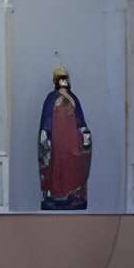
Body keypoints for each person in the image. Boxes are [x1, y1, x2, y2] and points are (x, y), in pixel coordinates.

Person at [38, 65, 93, 210]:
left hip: (69, 144)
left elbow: (80, 122)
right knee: (57, 168)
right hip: (58, 144)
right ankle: (56, 196)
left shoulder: (71, 99)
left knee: (70, 168)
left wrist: (85, 135)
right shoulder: (53, 99)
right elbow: (47, 122)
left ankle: (72, 195)